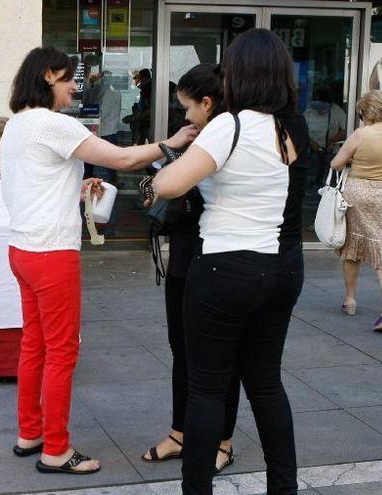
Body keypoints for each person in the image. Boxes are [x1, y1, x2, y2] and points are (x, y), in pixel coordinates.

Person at [1, 46, 196, 475]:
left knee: (34, 345)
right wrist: (170, 144)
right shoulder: (54, 123)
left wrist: (72, 183)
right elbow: (123, 158)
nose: (76, 85)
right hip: (51, 253)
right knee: (62, 352)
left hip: (23, 249)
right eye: (70, 77)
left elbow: (34, 181)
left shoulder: (17, 125)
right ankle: (56, 449)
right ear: (49, 76)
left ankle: (29, 433)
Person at [153, 29, 308, 494]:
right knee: (266, 385)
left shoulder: (230, 124)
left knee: (206, 388)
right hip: (281, 268)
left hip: (225, 266)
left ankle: (196, 488)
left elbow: (168, 186)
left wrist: (165, 164)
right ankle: (284, 487)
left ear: (238, 74)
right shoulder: (292, 127)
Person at [139, 63, 239, 475]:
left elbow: (165, 187)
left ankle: (222, 440)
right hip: (183, 256)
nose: (184, 117)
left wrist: (161, 181)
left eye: (187, 108)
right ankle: (181, 432)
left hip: (218, 259)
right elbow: (157, 189)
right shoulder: (192, 143)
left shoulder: (234, 138)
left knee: (219, 357)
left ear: (208, 103)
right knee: (181, 349)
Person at [330, 90, 382, 331]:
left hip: (358, 193)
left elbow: (336, 163)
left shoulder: (361, 135)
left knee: (353, 248)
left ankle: (350, 299)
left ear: (366, 112)